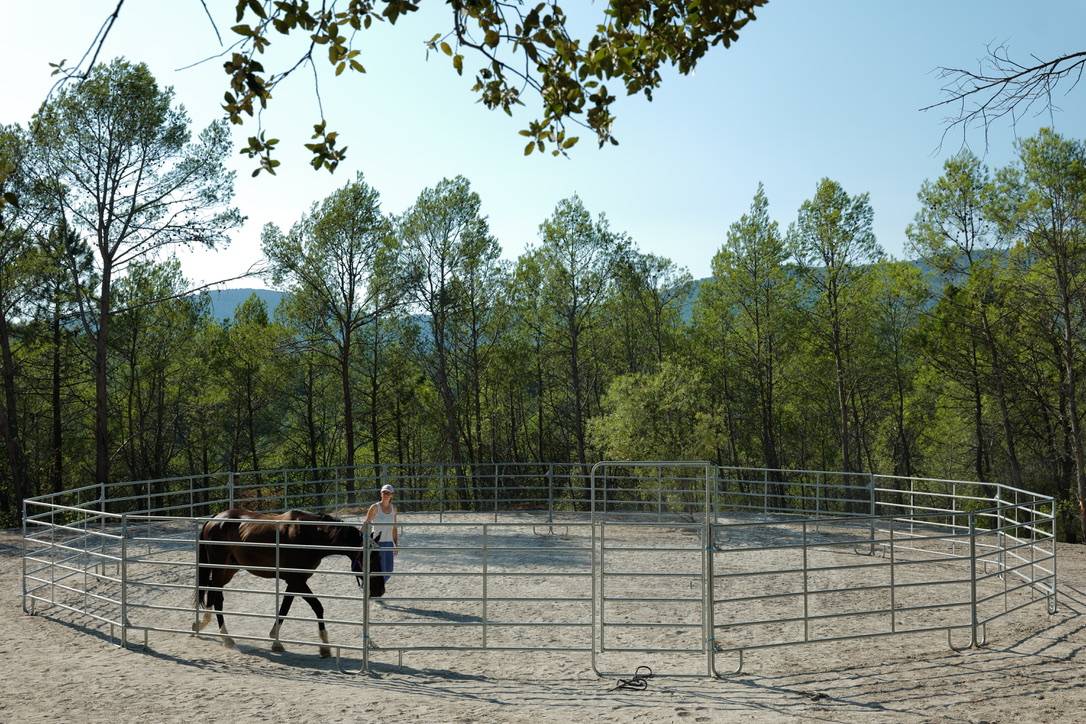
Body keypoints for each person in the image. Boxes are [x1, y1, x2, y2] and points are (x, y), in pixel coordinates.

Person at [364, 484, 398, 583]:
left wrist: (396, 544)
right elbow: (366, 524)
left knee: (389, 570)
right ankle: (375, 590)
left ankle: (373, 586)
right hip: (377, 543)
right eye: (384, 492)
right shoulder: (375, 507)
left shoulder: (394, 509)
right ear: (381, 493)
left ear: (392, 495)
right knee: (381, 570)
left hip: (389, 543)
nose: (386, 494)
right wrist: (364, 539)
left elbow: (394, 528)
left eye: (388, 493)